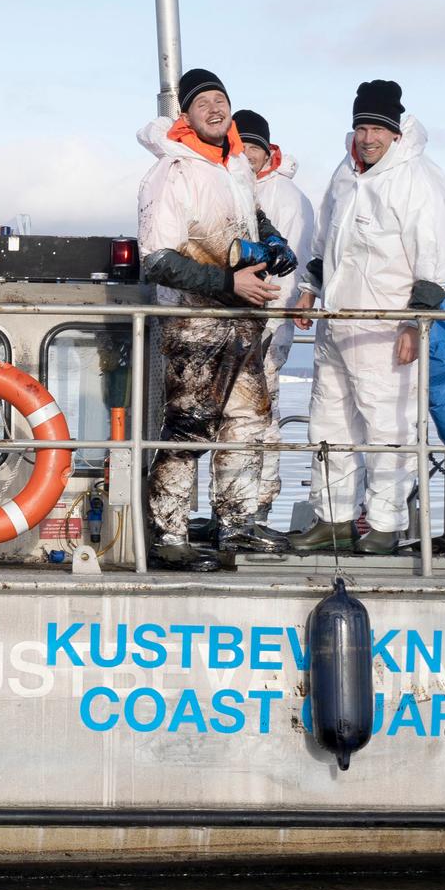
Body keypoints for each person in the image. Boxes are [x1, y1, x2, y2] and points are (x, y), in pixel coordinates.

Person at [133, 68, 285, 568]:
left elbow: (248, 219)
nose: (215, 110)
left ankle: (235, 527)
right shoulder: (172, 172)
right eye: (203, 104)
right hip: (194, 326)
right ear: (186, 117)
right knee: (189, 428)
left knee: (248, 423)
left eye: (221, 100)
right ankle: (169, 535)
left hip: (244, 321)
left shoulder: (236, 165)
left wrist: (274, 242)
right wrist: (227, 283)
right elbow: (158, 259)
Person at [298, 79, 445, 554]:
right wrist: (309, 289)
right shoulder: (344, 174)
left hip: (387, 327)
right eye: (361, 127)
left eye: (377, 128)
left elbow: (436, 257)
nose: (368, 137)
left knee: (389, 425)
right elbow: (325, 240)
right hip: (336, 321)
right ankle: (333, 519)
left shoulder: (417, 181)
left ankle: (385, 524)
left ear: (395, 132)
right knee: (329, 424)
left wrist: (415, 322)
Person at [232, 108, 319, 537]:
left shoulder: (286, 197)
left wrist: (283, 305)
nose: (247, 153)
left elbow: (296, 258)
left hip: (266, 318)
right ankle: (235, 505)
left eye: (254, 147)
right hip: (234, 316)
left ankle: (258, 505)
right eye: (241, 144)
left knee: (260, 412)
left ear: (267, 152)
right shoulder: (230, 185)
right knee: (238, 413)